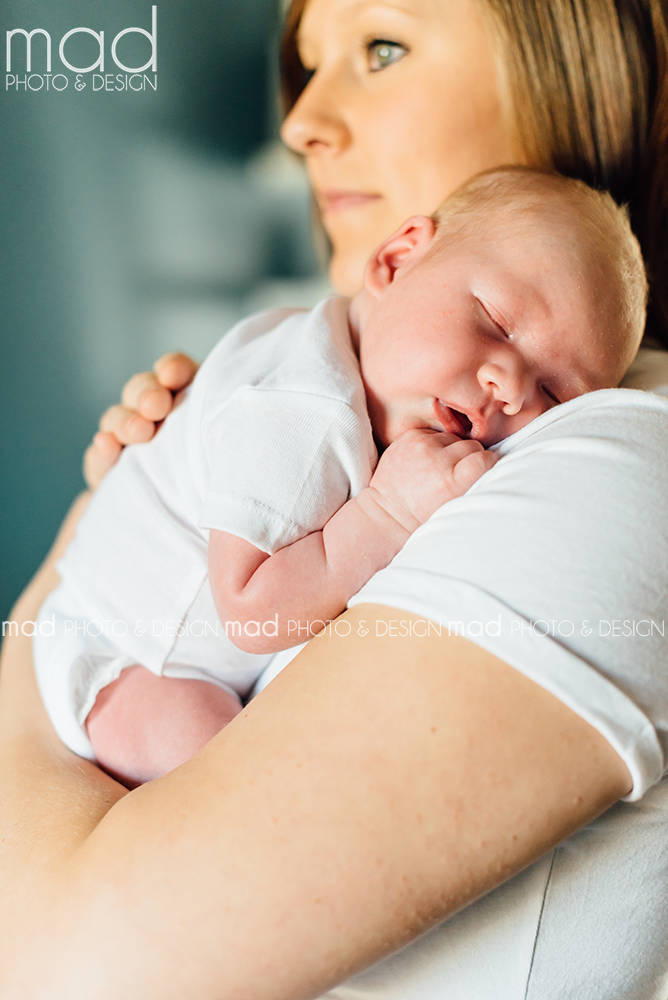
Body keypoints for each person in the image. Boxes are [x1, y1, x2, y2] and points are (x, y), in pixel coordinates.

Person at [3, 1, 668, 997]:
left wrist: (59, 581)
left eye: (382, 47)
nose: (301, 121)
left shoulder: (614, 458)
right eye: (307, 67)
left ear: (574, 73)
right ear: (401, 259)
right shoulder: (319, 392)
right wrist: (132, 492)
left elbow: (74, 970)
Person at [35, 169, 645, 788]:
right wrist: (387, 514)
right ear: (396, 259)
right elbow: (251, 612)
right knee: (234, 780)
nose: (510, 387)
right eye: (495, 322)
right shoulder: (306, 407)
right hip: (120, 658)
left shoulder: (338, 351)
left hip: (124, 629)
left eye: (551, 392)